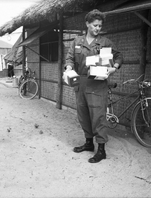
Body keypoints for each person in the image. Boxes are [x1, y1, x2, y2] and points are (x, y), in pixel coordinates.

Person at [64, 9, 123, 163]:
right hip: (81, 83)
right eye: (95, 25)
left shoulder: (105, 43)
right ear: (87, 24)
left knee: (98, 117)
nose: (98, 28)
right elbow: (69, 58)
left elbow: (118, 56)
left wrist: (114, 67)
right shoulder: (77, 42)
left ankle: (101, 150)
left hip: (98, 84)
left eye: (100, 26)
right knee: (83, 115)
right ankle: (89, 143)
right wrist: (69, 67)